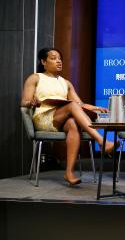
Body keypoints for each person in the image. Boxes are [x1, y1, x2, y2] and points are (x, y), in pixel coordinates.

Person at [21, 47, 115, 186]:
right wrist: (32, 102)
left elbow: (79, 104)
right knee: (71, 106)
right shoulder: (35, 78)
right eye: (53, 58)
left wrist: (96, 108)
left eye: (60, 59)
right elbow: (24, 101)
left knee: (72, 123)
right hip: (44, 116)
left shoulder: (66, 83)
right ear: (44, 62)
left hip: (62, 118)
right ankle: (101, 141)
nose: (58, 61)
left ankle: (69, 173)